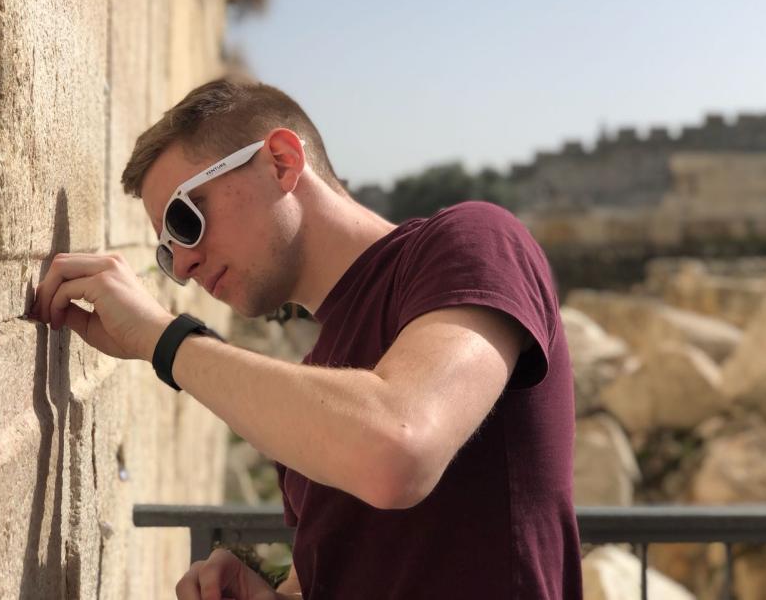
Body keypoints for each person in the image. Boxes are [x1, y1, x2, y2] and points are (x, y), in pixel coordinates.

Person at [30, 78, 583, 599]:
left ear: (281, 161)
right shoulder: (316, 382)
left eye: (185, 217)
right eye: (165, 253)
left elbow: (398, 450)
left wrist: (165, 340)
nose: (185, 262)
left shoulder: (473, 241)